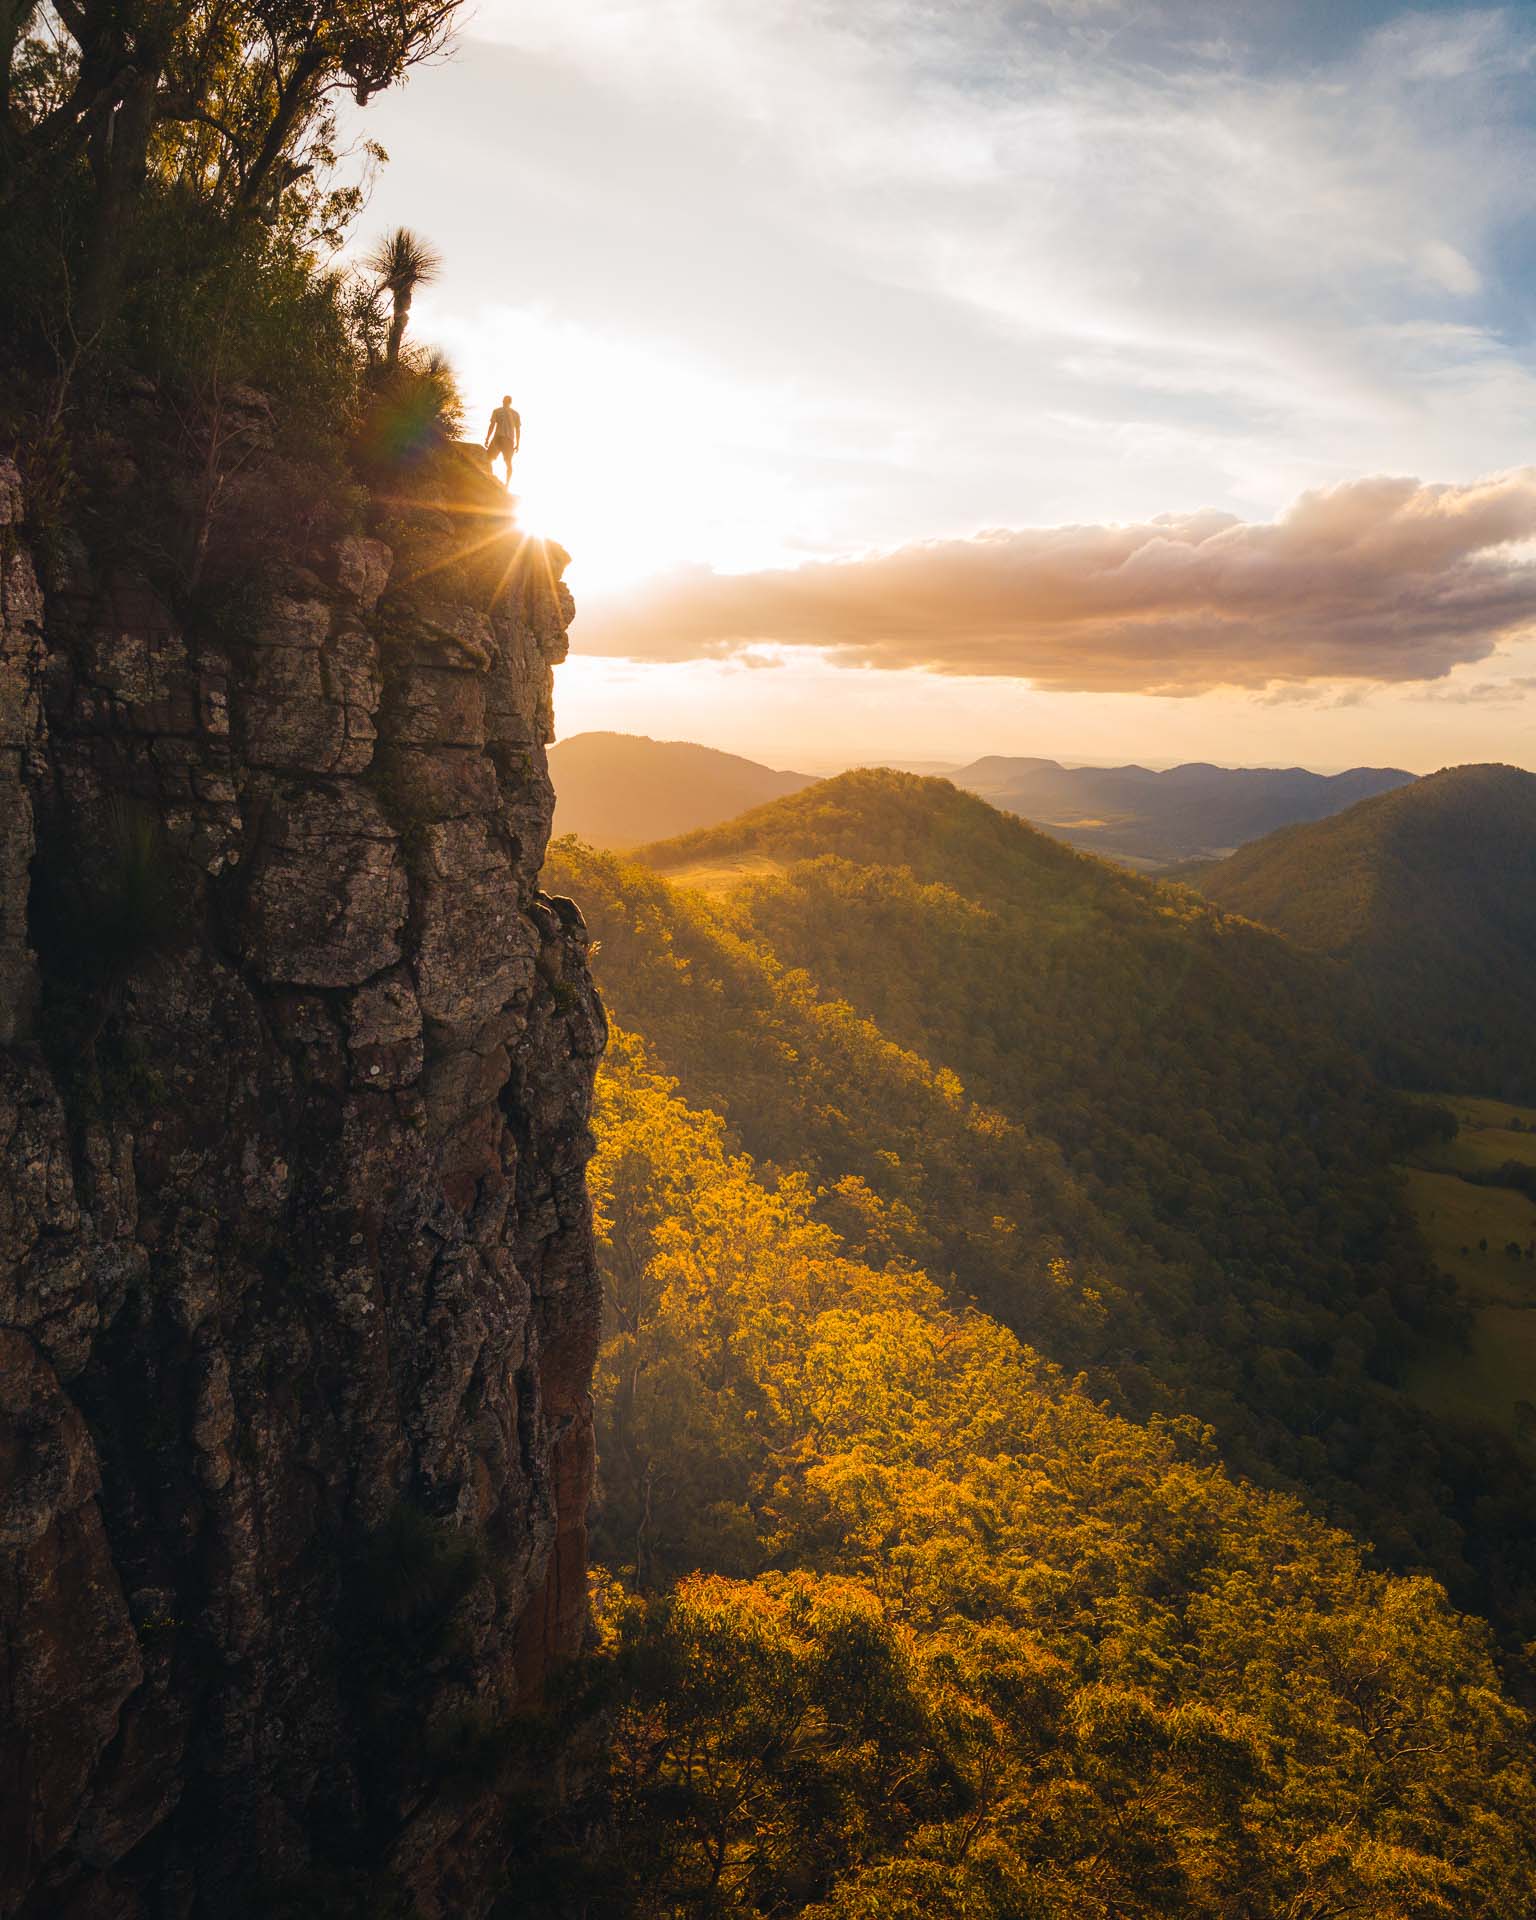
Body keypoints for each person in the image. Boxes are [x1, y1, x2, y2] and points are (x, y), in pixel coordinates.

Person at [485, 394, 520, 485]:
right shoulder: (516, 414)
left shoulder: (497, 411)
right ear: (511, 402)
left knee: (489, 459)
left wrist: (487, 438)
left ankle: (489, 478)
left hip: (498, 438)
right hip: (508, 440)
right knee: (508, 463)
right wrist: (517, 444)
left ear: (503, 401)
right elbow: (518, 430)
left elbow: (492, 426)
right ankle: (507, 484)